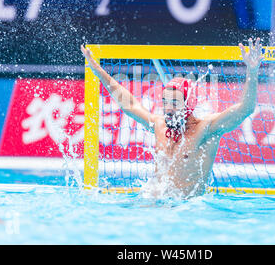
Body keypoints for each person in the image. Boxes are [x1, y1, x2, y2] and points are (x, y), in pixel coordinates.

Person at [81, 38, 264, 199]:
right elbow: (129, 104)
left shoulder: (205, 129)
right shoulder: (159, 125)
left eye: (174, 103)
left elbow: (244, 109)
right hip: (155, 201)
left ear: (188, 105)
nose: (168, 108)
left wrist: (252, 71)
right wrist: (98, 71)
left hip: (187, 208)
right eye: (165, 102)